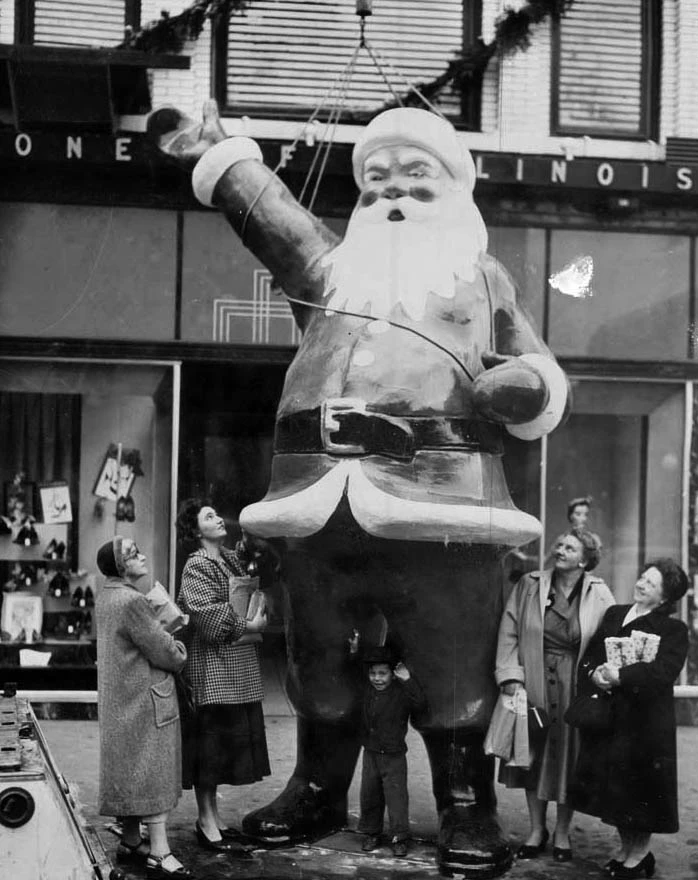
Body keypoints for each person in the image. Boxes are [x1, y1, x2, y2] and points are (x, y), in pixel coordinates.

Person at [148, 100, 569, 875]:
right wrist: (218, 154)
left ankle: (463, 805)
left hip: (439, 501)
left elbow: (536, 366)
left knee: (452, 659)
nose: (393, 193)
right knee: (318, 656)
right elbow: (274, 219)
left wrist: (525, 386)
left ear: (455, 189)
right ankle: (315, 788)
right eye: (375, 181)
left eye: (415, 175)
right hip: (315, 499)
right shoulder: (333, 271)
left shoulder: (479, 279)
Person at [495, 527, 613, 862]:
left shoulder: (600, 594)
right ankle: (536, 830)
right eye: (559, 544)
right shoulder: (530, 585)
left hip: (574, 685)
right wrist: (510, 678)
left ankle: (562, 832)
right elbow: (508, 632)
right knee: (531, 754)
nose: (559, 550)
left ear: (586, 559)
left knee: (568, 761)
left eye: (569, 548)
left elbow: (608, 640)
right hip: (533, 677)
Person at [569, 559, 690, 879]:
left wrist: (620, 675)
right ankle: (625, 850)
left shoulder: (673, 629)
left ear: (665, 598)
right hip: (610, 719)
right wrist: (596, 673)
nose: (640, 584)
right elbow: (593, 654)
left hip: (646, 725)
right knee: (615, 792)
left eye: (650, 583)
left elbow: (663, 672)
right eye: (642, 578)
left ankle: (639, 855)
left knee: (641, 794)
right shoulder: (615, 614)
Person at [176, 499, 271, 851]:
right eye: (209, 516)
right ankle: (205, 819)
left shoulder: (229, 557)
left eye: (217, 513)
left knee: (222, 745)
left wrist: (254, 613)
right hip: (213, 666)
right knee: (210, 746)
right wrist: (249, 623)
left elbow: (249, 593)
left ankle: (214, 817)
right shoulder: (196, 565)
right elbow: (207, 614)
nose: (218, 519)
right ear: (196, 530)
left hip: (237, 663)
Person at [95, 536, 191, 879]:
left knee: (131, 768)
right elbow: (164, 652)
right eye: (135, 555)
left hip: (121, 699)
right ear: (121, 566)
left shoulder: (106, 595)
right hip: (147, 699)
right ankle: (160, 852)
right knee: (153, 770)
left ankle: (133, 840)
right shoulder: (133, 601)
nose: (143, 556)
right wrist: (177, 643)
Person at [348, 639, 427, 858]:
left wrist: (408, 680)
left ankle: (400, 837)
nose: (377, 679)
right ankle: (371, 832)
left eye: (383, 673)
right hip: (371, 753)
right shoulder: (367, 689)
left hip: (394, 755)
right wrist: (355, 650)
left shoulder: (401, 693)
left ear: (393, 674)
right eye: (373, 673)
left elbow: (420, 703)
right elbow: (354, 672)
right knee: (370, 794)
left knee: (396, 797)